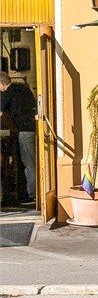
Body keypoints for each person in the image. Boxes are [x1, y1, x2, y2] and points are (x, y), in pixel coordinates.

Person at [0, 72, 37, 205]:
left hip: (24, 130)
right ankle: (32, 192)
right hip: (35, 128)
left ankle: (33, 194)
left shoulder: (7, 93)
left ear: (1, 84)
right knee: (33, 161)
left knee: (29, 163)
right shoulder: (24, 88)